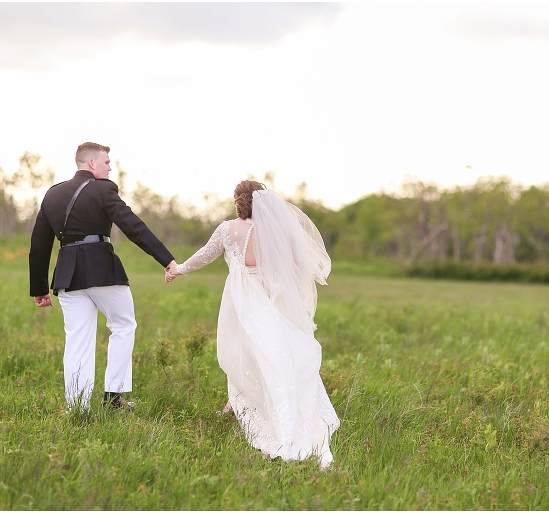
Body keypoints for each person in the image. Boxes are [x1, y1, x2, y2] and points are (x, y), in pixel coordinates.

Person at [165, 180, 340, 469]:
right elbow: (300, 266)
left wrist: (178, 269)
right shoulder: (278, 231)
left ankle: (255, 407)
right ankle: (237, 403)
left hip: (243, 299)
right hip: (272, 297)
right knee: (272, 352)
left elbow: (205, 256)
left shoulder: (228, 229)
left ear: (238, 201)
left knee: (243, 349)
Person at [29, 142, 178, 411]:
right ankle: (113, 397)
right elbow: (133, 226)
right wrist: (166, 259)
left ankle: (78, 408)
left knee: (77, 339)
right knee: (123, 325)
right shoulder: (104, 189)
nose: (109, 168)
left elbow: (39, 243)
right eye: (107, 162)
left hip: (67, 275)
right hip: (101, 269)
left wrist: (39, 287)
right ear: (91, 163)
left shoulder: (53, 194)